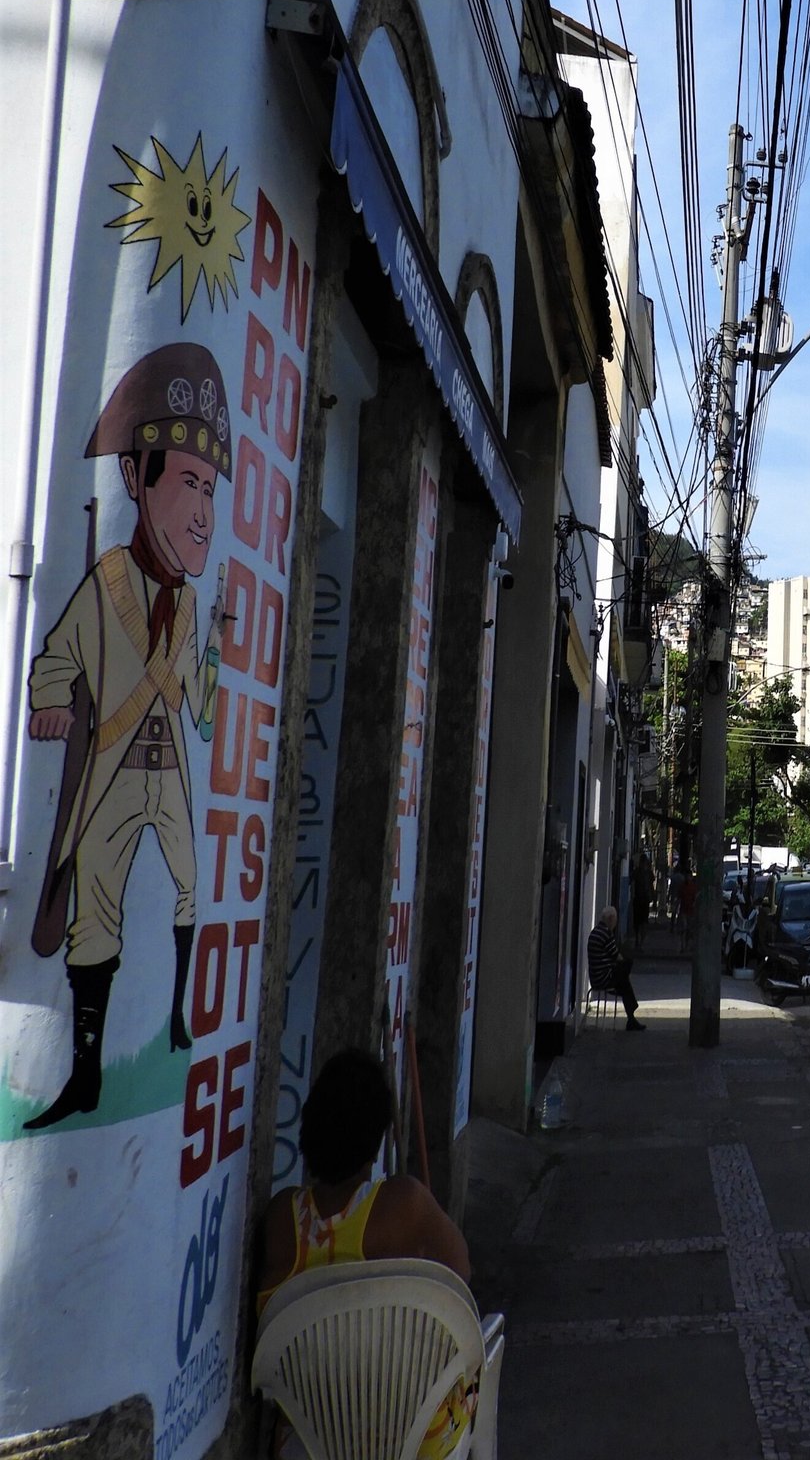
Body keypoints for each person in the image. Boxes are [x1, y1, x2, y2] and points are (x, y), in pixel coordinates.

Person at [24, 344, 231, 1129]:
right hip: (112, 771)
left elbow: (199, 709)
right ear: (136, 483)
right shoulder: (108, 580)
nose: (203, 512)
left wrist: (210, 666)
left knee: (189, 884)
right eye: (186, 482)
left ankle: (175, 1013)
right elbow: (54, 660)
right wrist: (48, 704)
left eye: (209, 488)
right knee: (94, 915)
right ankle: (85, 1074)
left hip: (167, 768)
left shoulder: (188, 608)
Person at [256, 1050, 476, 1458]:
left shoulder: (280, 1219)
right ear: (376, 1142)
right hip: (410, 1441)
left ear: (309, 1132)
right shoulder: (406, 1202)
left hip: (309, 1443)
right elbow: (460, 1270)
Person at [587, 908, 644, 1028]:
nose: (615, 924)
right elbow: (616, 956)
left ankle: (631, 1018)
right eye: (615, 920)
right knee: (627, 965)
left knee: (623, 981)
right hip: (603, 977)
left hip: (596, 977)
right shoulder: (606, 933)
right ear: (610, 919)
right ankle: (631, 1015)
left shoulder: (595, 931)